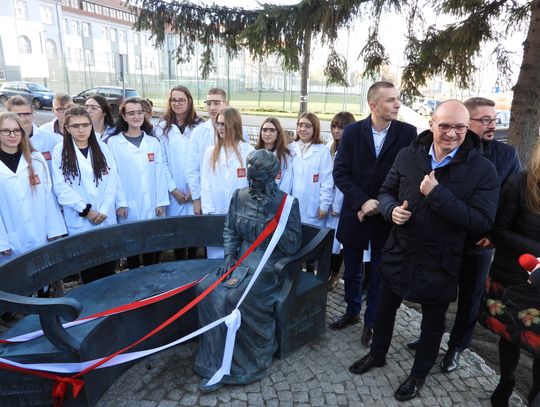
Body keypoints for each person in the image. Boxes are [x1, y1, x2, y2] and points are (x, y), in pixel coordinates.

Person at [349, 100, 499, 402]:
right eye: (445, 126)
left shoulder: (482, 169)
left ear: (467, 128)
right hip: (400, 249)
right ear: (431, 124)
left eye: (459, 127)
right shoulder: (408, 155)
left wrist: (437, 194)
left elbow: (482, 221)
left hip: (441, 259)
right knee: (384, 311)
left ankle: (418, 375)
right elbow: (386, 192)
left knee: (432, 325)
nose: (452, 133)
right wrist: (391, 210)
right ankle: (377, 354)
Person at [414, 97, 522, 372]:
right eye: (484, 120)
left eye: (493, 119)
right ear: (466, 120)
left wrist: (494, 235)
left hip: (479, 242)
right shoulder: (447, 149)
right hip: (444, 237)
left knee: (470, 297)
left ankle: (457, 346)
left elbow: (510, 202)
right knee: (436, 290)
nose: (491, 125)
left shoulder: (506, 155)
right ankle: (431, 336)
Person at [194, 149, 302, 392]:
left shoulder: (287, 204)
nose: (252, 185)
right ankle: (212, 359)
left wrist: (270, 215)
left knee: (234, 299)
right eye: (249, 179)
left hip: (269, 264)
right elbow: (230, 230)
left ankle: (243, 364)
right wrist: (229, 256)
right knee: (205, 290)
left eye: (258, 181)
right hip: (240, 260)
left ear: (273, 178)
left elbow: (293, 245)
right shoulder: (239, 196)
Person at [331, 82, 417, 350]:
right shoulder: (353, 132)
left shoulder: (408, 133)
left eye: (397, 99)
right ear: (373, 105)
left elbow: (409, 176)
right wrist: (362, 202)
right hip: (355, 214)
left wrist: (380, 204)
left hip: (386, 217)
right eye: (391, 100)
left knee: (380, 273)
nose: (397, 104)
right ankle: (352, 311)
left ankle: (372, 322)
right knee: (352, 270)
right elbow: (340, 173)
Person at [479, 143, 540, 407]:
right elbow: (499, 231)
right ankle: (506, 380)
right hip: (514, 278)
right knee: (510, 335)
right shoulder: (520, 182)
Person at [51, 106, 123, 283]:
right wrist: (86, 210)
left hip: (105, 216)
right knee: (88, 269)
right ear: (67, 128)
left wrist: (104, 210)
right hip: (80, 218)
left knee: (108, 267)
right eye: (75, 126)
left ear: (91, 126)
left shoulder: (102, 147)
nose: (81, 130)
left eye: (85, 125)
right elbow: (60, 187)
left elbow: (112, 180)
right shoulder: (60, 151)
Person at [107, 97, 168, 269]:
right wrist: (120, 203)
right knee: (131, 248)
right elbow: (113, 176)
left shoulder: (153, 142)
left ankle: (151, 279)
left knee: (152, 247)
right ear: (124, 117)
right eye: (131, 113)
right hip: (128, 204)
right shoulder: (114, 143)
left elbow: (159, 173)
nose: (136, 117)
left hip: (152, 204)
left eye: (139, 112)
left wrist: (161, 202)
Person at [0, 112, 66, 259]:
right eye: (6, 131)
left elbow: (48, 195)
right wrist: (2, 242)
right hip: (9, 239)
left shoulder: (36, 159)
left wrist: (54, 230)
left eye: (16, 130)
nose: (12, 135)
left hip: (40, 233)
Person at [154, 85, 203, 260]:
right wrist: (173, 189)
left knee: (195, 233)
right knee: (178, 234)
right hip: (174, 192)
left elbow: (203, 160)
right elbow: (161, 162)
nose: (177, 103)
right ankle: (180, 267)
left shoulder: (200, 127)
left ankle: (194, 266)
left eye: (181, 100)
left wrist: (194, 190)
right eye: (173, 100)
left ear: (189, 102)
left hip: (195, 191)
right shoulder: (162, 127)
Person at [200, 107, 254, 259]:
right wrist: (209, 211)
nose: (220, 128)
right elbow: (205, 183)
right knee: (216, 255)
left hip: (241, 214)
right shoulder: (210, 152)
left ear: (234, 124)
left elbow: (252, 185)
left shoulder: (248, 151)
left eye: (224, 124)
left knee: (239, 255)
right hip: (215, 211)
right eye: (218, 124)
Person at [187, 88, 229, 215]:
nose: (212, 107)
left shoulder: (240, 132)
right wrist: (196, 199)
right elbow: (192, 168)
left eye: (216, 103)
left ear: (226, 104)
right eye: (209, 103)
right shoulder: (199, 132)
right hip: (207, 199)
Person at [326, 112, 355, 290]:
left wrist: (337, 205)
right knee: (328, 240)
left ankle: (335, 273)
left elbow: (343, 180)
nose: (336, 131)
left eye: (341, 127)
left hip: (341, 202)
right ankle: (326, 270)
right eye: (333, 127)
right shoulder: (329, 147)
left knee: (338, 242)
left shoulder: (351, 150)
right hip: (326, 201)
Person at [289, 112, 333, 229]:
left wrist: (324, 205)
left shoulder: (322, 151)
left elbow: (327, 181)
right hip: (292, 204)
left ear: (315, 129)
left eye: (307, 126)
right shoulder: (290, 148)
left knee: (311, 236)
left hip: (313, 207)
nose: (303, 129)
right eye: (300, 125)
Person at [6, 95, 62, 174]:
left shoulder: (49, 139)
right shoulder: (4, 142)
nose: (22, 118)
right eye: (17, 115)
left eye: (27, 114)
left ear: (33, 113)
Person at [255, 117, 293, 194]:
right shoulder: (254, 153)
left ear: (278, 133)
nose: (267, 134)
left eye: (272, 130)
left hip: (277, 198)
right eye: (264, 130)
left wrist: (277, 198)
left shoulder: (285, 156)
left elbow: (286, 183)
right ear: (261, 132)